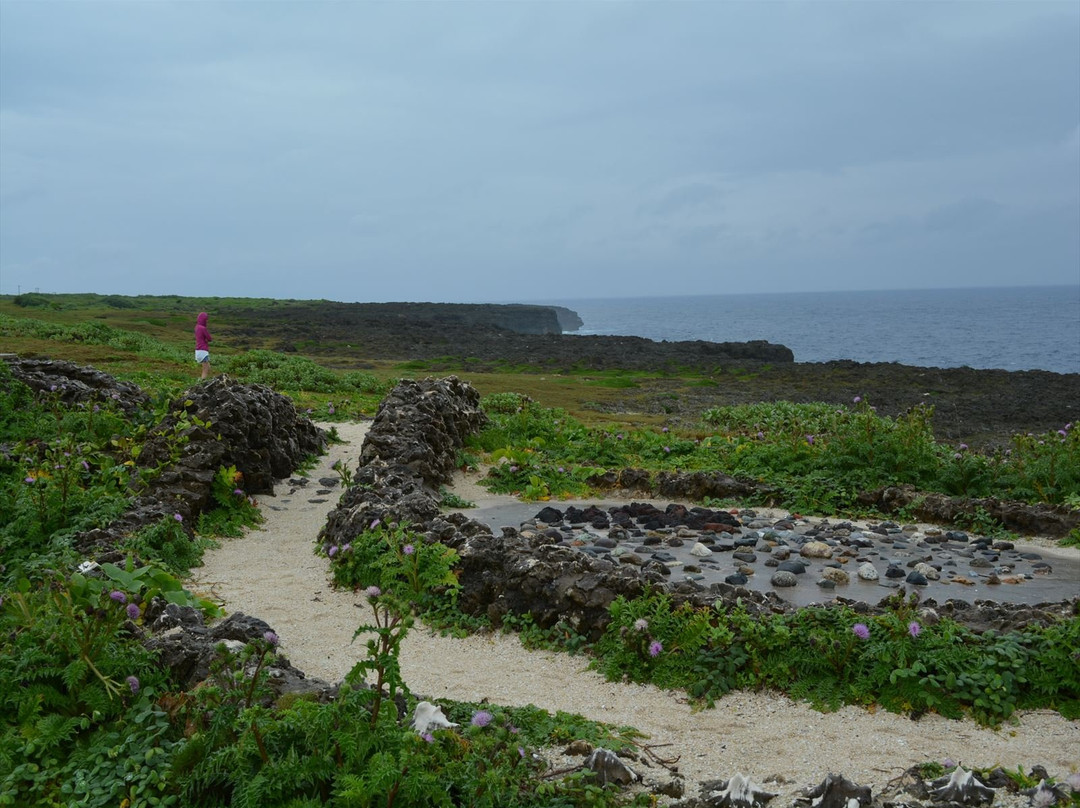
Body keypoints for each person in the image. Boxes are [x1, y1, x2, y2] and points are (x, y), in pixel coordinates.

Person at [194, 312, 212, 379]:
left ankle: (205, 380)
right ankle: (202, 382)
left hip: (198, 350)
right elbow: (209, 338)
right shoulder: (203, 328)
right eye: (206, 319)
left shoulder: (197, 327)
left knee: (208, 367)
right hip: (203, 351)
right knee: (205, 369)